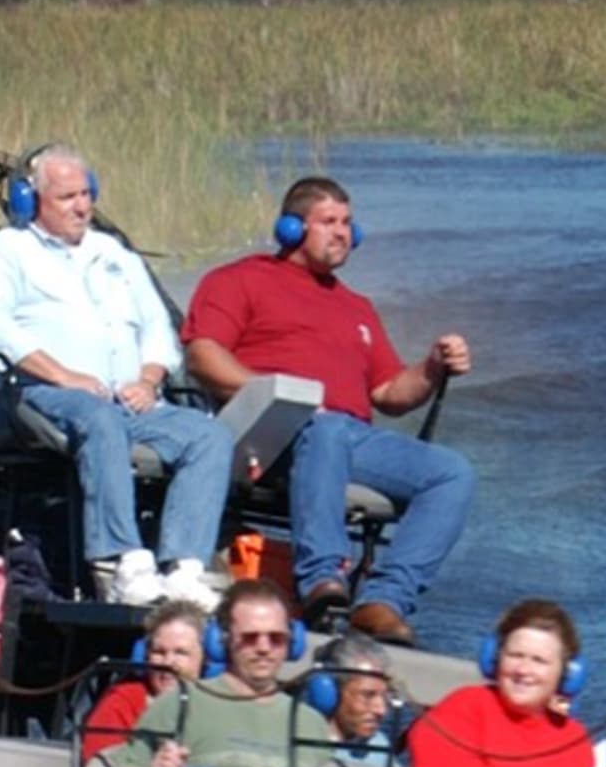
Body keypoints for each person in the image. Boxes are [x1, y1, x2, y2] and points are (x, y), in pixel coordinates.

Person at [182, 175, 474, 644]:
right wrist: (281, 391)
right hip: (271, 432)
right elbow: (203, 356)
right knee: (326, 428)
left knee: (451, 473)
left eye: (348, 223)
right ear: (292, 229)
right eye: (329, 222)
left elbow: (390, 393)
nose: (342, 233)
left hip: (346, 436)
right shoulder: (239, 279)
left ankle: (384, 601)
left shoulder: (356, 307)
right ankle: (321, 580)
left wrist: (434, 366)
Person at [0, 145, 232, 607]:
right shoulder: (1, 254)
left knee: (208, 436)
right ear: (29, 200)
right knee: (98, 420)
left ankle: (184, 567)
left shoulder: (114, 255)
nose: (82, 207)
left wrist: (148, 379)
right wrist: (63, 375)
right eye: (67, 197)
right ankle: (122, 561)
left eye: (86, 194)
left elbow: (157, 328)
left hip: (128, 398)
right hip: (40, 395)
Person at [106, 580, 329, 767]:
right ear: (222, 639)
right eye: (250, 637)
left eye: (276, 638)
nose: (264, 647)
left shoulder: (311, 723)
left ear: (292, 644)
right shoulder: (180, 703)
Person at [403, 599, 595, 767]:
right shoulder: (462, 710)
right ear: (495, 658)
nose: (523, 669)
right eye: (515, 656)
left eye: (539, 661)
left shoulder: (574, 739)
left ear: (565, 673)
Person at [79, 602, 205, 764]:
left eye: (181, 652)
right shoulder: (124, 700)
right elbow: (98, 764)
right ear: (146, 655)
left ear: (204, 658)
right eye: (159, 652)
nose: (168, 662)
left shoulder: (218, 703)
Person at [304, 633, 401, 763]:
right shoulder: (300, 748)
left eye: (385, 696)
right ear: (329, 692)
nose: (381, 710)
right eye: (368, 695)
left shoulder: (378, 747)